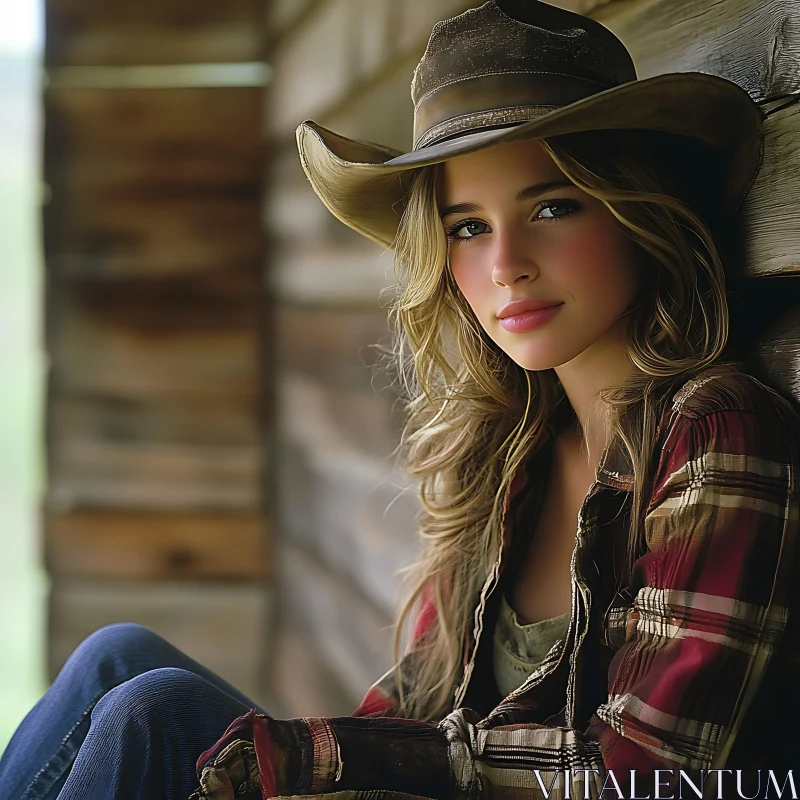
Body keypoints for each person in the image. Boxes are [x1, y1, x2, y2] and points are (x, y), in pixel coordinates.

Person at [2, 1, 798, 799]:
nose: (507, 265)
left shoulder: (714, 430)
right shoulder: (507, 447)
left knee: (152, 710)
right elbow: (408, 708)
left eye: (553, 207)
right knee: (118, 657)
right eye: (467, 228)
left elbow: (643, 772)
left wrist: (330, 758)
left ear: (635, 210)